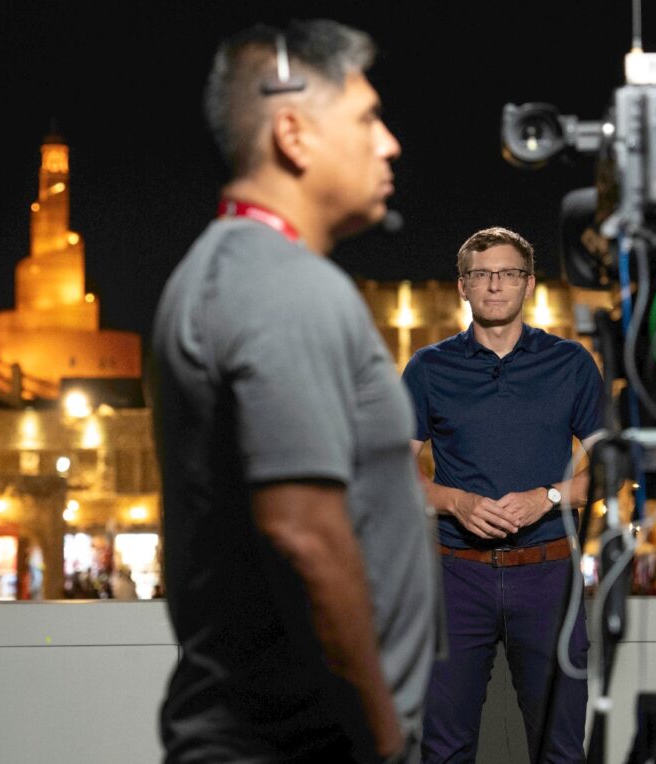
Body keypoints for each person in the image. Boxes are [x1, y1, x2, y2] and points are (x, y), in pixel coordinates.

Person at [150, 19, 439, 764]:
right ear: (294, 134)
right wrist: (380, 734)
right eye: (367, 118)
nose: (389, 143)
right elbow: (302, 532)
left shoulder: (229, 271)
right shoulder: (283, 287)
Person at [401, 227, 605, 763]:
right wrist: (454, 502)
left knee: (560, 749)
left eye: (508, 273)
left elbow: (613, 469)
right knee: (443, 749)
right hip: (454, 577)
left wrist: (549, 497)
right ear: (463, 287)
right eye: (481, 274)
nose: (495, 285)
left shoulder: (571, 364)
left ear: (529, 284)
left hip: (548, 575)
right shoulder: (428, 367)